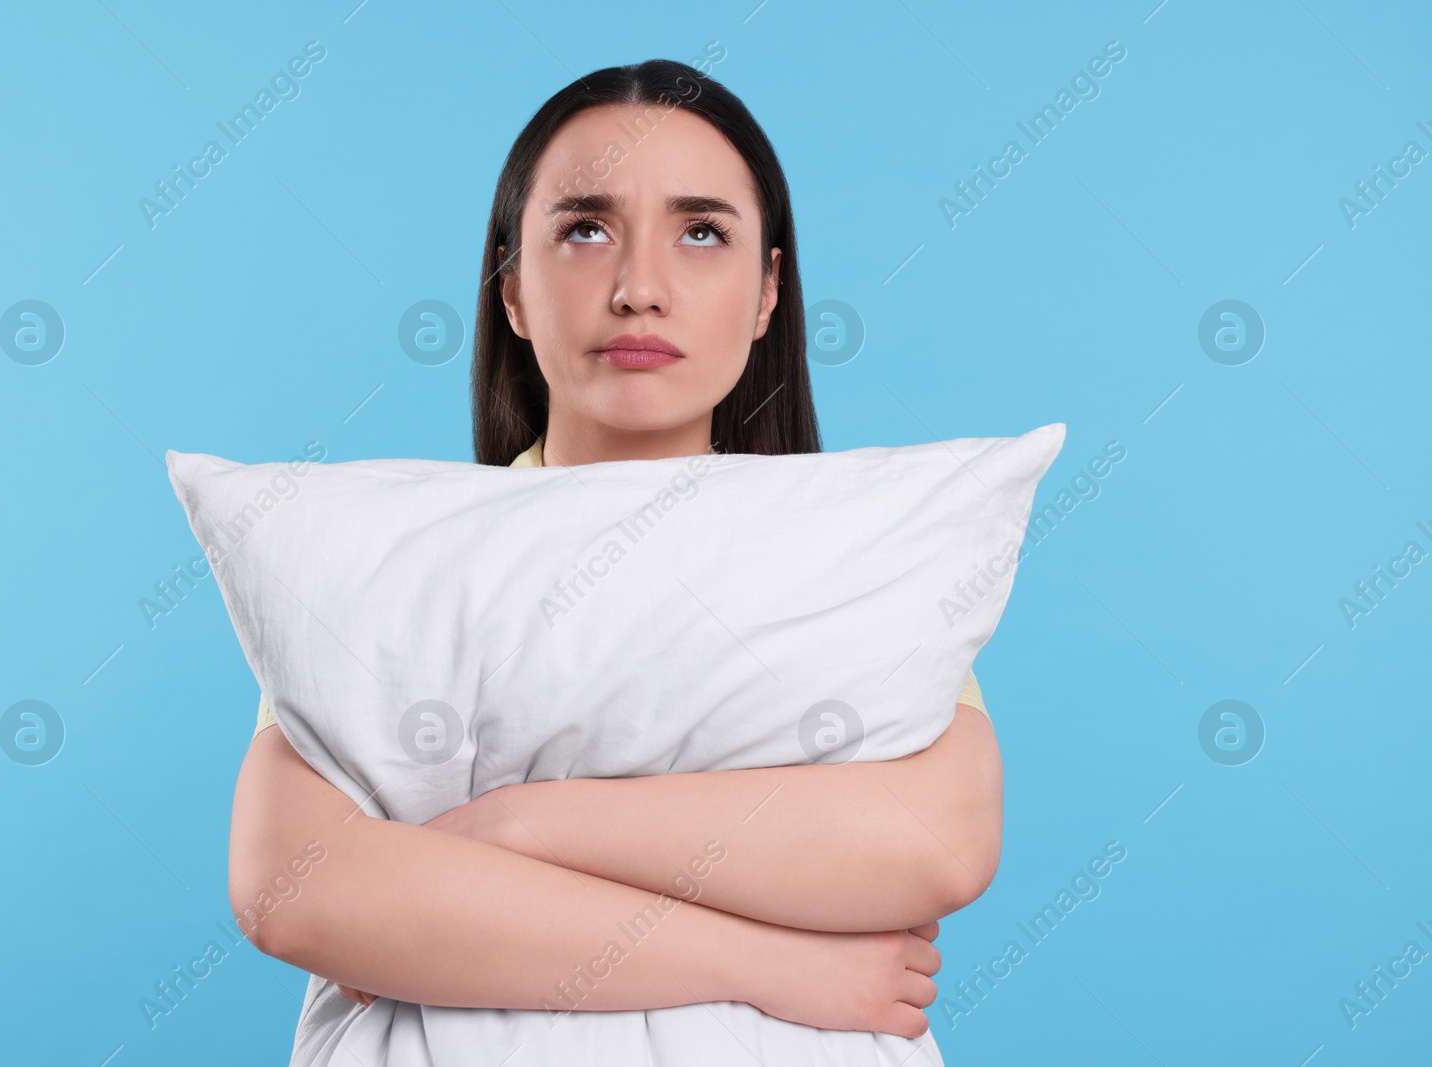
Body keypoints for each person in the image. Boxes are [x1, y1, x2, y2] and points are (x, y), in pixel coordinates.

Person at [230, 58, 1002, 1065]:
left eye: (702, 233)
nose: (640, 288)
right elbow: (298, 889)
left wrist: (511, 829)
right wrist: (774, 962)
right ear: (511, 286)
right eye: (585, 229)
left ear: (768, 289)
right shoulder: (398, 557)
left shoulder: (842, 553)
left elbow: (931, 841)